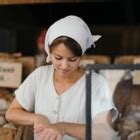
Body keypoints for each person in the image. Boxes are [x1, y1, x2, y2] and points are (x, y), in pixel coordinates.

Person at [6, 15, 119, 140]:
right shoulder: (39, 76)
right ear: (49, 53)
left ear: (81, 56)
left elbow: (105, 132)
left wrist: (64, 127)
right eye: (58, 58)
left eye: (72, 59)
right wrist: (37, 118)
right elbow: (11, 113)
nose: (64, 66)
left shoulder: (96, 84)